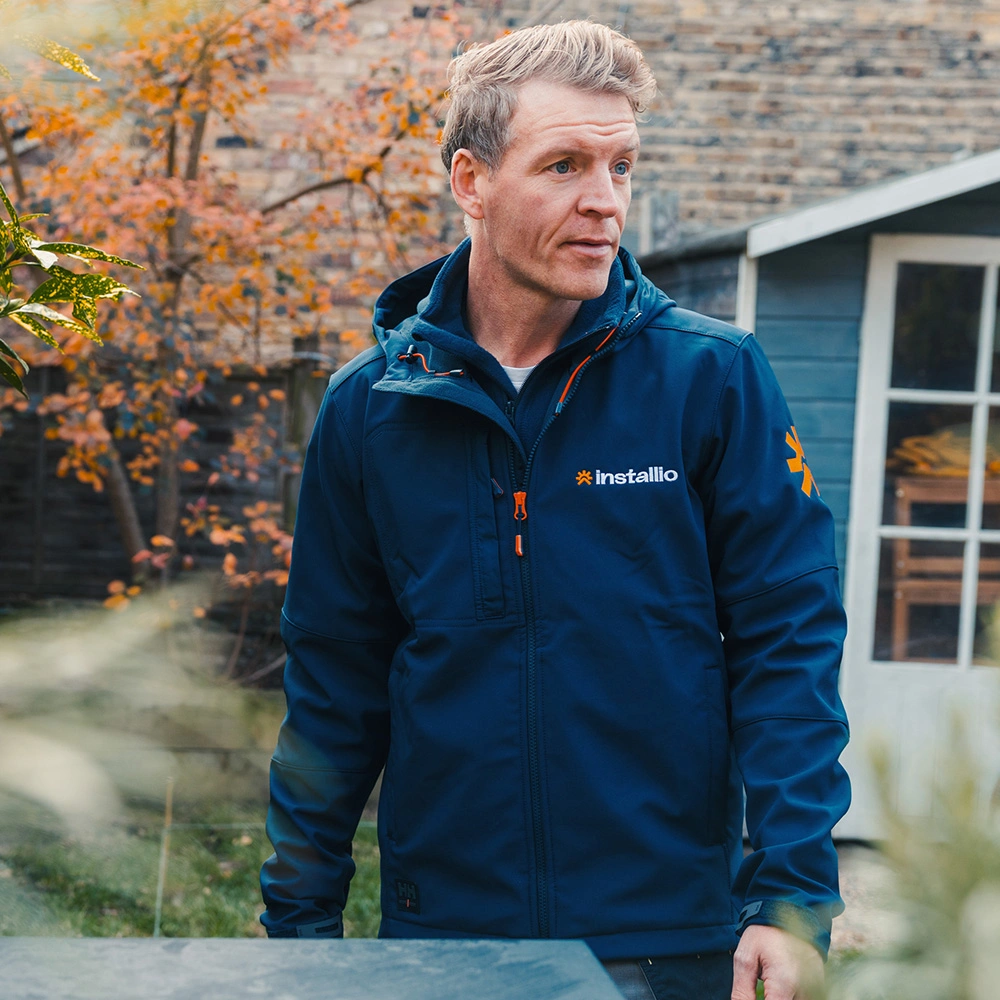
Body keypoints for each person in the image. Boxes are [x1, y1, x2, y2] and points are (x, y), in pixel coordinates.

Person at [260, 20, 850, 1000]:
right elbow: (333, 685)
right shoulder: (370, 409)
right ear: (471, 182)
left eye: (620, 165)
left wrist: (790, 900)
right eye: (565, 164)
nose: (603, 202)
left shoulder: (713, 381)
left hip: (663, 939)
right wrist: (298, 929)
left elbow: (786, 647)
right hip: (444, 940)